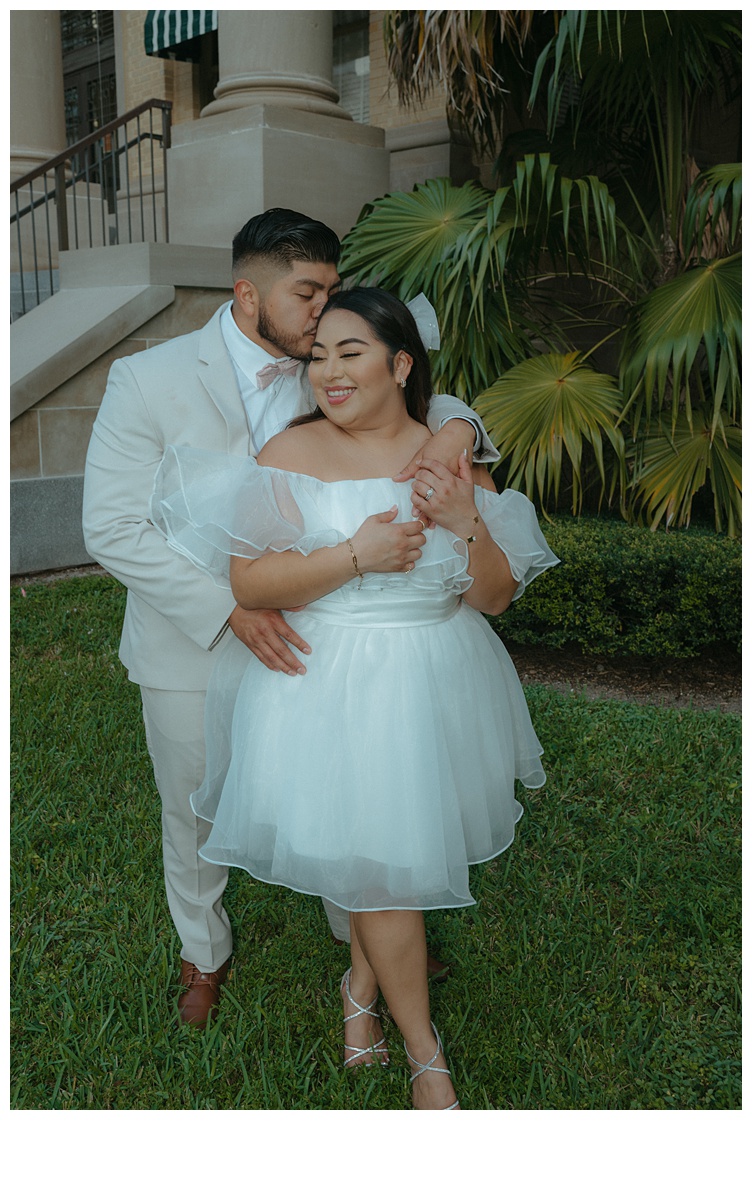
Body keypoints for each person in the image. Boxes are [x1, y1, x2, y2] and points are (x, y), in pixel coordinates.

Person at [82, 209, 499, 1029]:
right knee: (194, 801)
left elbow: (408, 390)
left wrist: (460, 426)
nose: (323, 311)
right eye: (308, 293)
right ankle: (204, 953)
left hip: (332, 631)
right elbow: (112, 526)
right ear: (248, 293)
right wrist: (230, 609)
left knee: (353, 782)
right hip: (193, 633)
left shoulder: (331, 364)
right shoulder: (149, 378)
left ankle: (374, 936)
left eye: (332, 292)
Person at [151, 287, 558, 1108]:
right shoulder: (288, 456)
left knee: (389, 858)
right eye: (318, 357)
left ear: (400, 364)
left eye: (351, 353)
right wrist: (355, 555)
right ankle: (425, 1055)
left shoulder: (449, 458)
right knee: (383, 875)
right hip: (331, 687)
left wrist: (462, 517)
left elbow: (495, 597)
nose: (330, 373)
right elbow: (252, 579)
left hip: (437, 678)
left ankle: (358, 991)